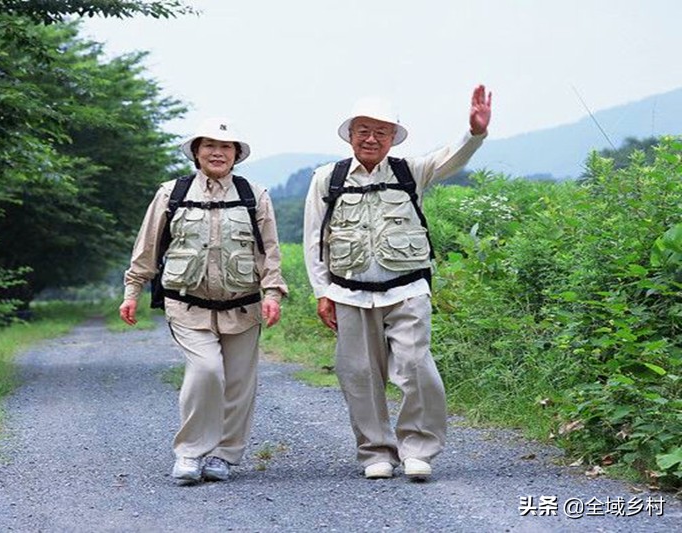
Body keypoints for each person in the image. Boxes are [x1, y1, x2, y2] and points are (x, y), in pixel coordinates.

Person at [303, 86, 492, 480]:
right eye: (364, 130)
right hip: (349, 293)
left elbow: (450, 159)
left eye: (381, 132)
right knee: (358, 374)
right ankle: (375, 453)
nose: (371, 139)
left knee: (415, 366)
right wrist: (322, 292)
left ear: (392, 138)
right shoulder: (327, 178)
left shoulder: (411, 171)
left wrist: (473, 133)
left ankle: (418, 449)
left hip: (407, 290)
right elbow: (314, 240)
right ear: (351, 134)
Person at [120, 117, 288, 484]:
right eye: (209, 145)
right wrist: (133, 289)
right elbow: (147, 246)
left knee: (240, 381)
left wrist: (273, 293)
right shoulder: (171, 193)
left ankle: (225, 456)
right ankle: (191, 452)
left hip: (243, 305)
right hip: (187, 305)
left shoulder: (253, 195)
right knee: (207, 370)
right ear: (196, 152)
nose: (217, 152)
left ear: (236, 154)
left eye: (225, 146)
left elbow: (270, 251)